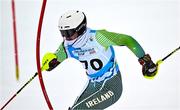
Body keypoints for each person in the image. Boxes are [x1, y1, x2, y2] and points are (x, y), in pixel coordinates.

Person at [42, 10, 158, 110]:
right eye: (63, 33)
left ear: (81, 29)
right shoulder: (67, 45)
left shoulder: (98, 37)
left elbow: (127, 40)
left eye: (69, 33)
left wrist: (145, 60)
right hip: (93, 85)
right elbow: (54, 60)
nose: (66, 37)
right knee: (75, 108)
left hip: (111, 85)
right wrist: (49, 62)